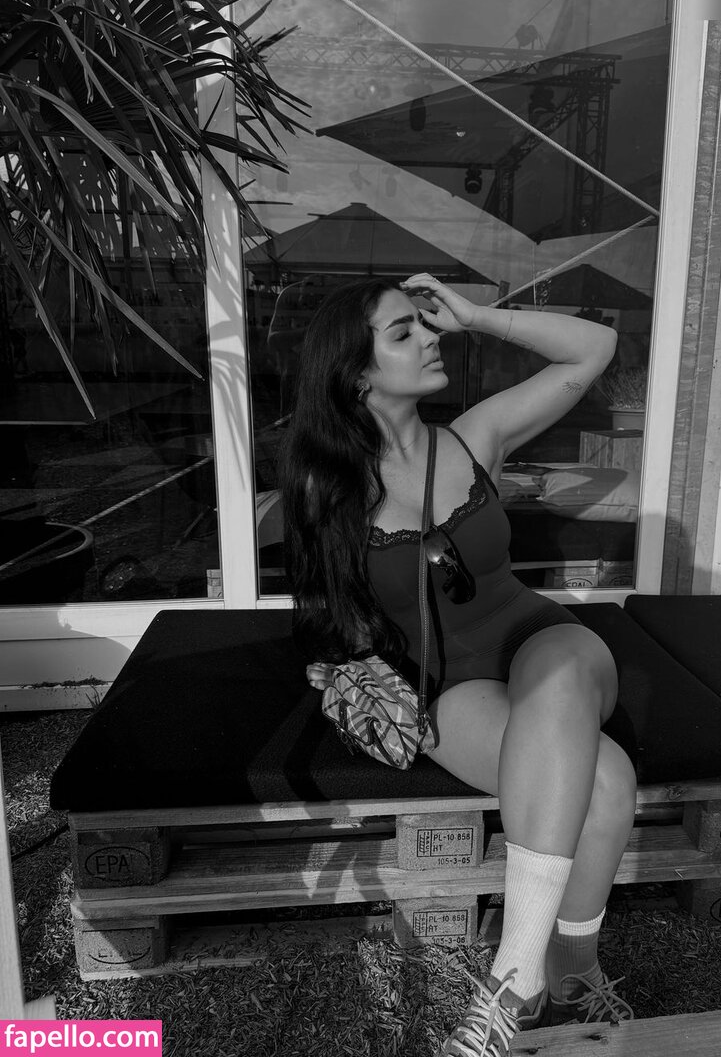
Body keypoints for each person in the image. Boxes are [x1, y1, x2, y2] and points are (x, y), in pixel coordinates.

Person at [281, 273, 637, 1056]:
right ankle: (573, 966)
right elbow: (334, 619)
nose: (429, 337)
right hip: (446, 680)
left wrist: (478, 316)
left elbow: (595, 348)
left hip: (541, 639)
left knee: (564, 675)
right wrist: (359, 687)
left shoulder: (475, 437)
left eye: (426, 323)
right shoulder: (326, 487)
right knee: (608, 781)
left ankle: (512, 982)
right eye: (402, 332)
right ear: (356, 374)